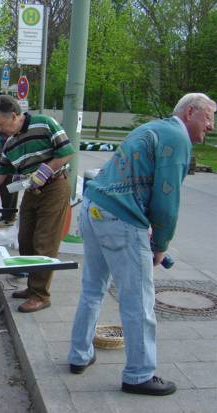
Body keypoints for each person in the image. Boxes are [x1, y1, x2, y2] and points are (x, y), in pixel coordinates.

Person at [67, 93, 215, 396]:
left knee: (93, 289)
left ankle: (79, 355)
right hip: (120, 220)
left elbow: (127, 177)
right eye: (209, 117)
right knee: (138, 301)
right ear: (190, 112)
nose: (211, 126)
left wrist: (137, 220)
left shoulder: (152, 129)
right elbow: (167, 200)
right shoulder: (177, 138)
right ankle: (139, 374)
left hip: (93, 208)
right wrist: (160, 244)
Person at [0, 95, 75, 312]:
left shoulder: (45, 123)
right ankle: (32, 287)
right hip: (31, 190)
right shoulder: (11, 144)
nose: (0, 129)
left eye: (1, 123)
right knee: (26, 239)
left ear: (13, 116)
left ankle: (41, 295)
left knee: (44, 241)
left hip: (54, 187)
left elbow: (67, 152)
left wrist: (46, 169)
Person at [0, 92, 18, 227]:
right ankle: (5, 215)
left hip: (9, 163)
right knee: (3, 189)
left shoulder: (8, 124)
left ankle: (9, 217)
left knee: (9, 190)